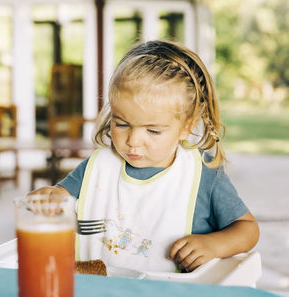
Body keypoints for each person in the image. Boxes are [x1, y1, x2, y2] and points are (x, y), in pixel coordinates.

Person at [30, 40, 259, 273]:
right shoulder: (99, 165)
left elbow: (247, 229)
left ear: (187, 125)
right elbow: (59, 198)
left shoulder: (203, 172)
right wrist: (50, 199)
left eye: (153, 130)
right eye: (121, 124)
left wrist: (214, 245)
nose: (133, 141)